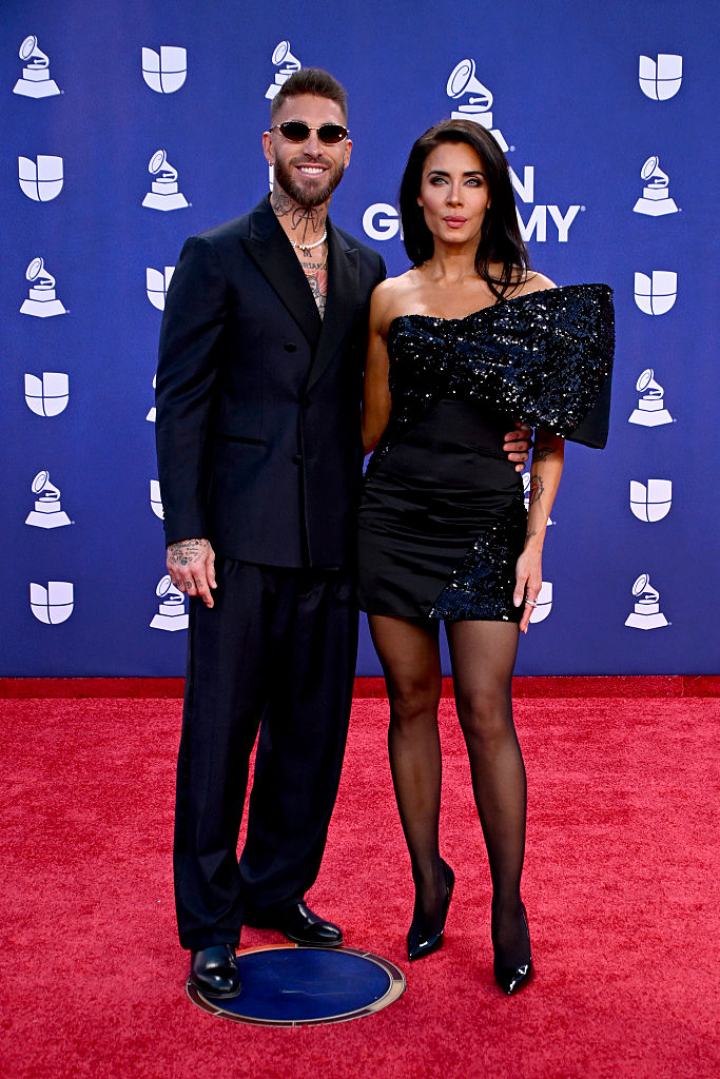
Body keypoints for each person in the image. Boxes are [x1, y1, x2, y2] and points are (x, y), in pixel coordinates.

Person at [155, 72, 531, 1000]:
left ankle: (275, 887)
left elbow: (387, 410)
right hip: (238, 542)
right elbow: (183, 403)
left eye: (329, 133)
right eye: (296, 131)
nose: (312, 146)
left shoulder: (370, 273)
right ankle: (209, 921)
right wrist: (186, 533)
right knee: (221, 734)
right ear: (271, 143)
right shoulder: (216, 254)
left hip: (337, 538)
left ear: (349, 151)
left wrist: (500, 431)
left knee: (311, 735)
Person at [358, 120, 613, 995]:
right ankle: (430, 876)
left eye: (472, 181)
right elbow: (371, 427)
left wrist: (536, 537)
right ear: (417, 196)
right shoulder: (389, 298)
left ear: (493, 194)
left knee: (485, 707)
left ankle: (508, 903)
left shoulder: (534, 293)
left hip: (487, 524)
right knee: (410, 700)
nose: (457, 197)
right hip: (391, 513)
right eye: (440, 180)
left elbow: (550, 443)